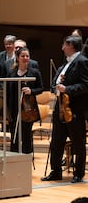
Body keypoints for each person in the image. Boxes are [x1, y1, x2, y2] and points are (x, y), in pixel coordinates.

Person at [42, 35, 88, 183]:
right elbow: (56, 81)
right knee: (56, 141)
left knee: (78, 142)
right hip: (60, 109)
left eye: (64, 45)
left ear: (71, 46)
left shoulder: (82, 62)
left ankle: (78, 173)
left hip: (74, 110)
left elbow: (86, 85)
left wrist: (67, 88)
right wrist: (54, 86)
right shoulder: (65, 63)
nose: (62, 48)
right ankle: (56, 171)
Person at [6, 46, 43, 154]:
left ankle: (27, 159)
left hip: (28, 110)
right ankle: (14, 160)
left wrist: (31, 91)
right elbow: (8, 92)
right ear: (17, 57)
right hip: (14, 109)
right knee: (15, 136)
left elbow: (41, 88)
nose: (25, 58)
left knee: (26, 135)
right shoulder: (12, 73)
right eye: (23, 56)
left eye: (27, 56)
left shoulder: (34, 72)